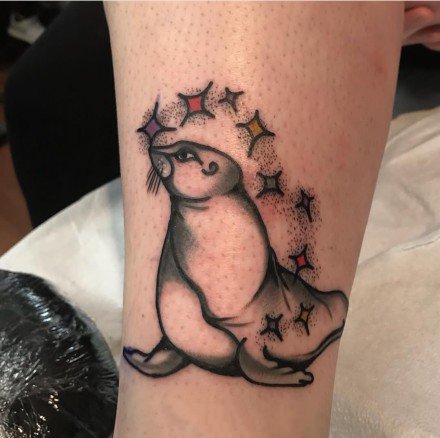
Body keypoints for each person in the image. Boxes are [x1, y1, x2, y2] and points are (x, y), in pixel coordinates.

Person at [4, 2, 440, 436]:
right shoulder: (190, 212)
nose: (161, 155)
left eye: (181, 156)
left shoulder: (229, 215)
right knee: (38, 88)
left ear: (211, 171)